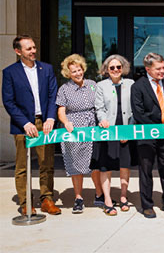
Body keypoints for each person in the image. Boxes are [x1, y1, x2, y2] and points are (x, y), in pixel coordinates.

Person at [2, 35, 61, 216]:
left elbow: (53, 96)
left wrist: (51, 118)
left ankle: (47, 199)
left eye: (34, 47)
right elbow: (9, 101)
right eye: (28, 49)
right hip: (23, 124)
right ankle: (26, 203)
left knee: (46, 163)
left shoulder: (47, 69)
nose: (33, 51)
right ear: (18, 51)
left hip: (45, 123)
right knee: (22, 166)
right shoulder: (10, 72)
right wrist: (25, 122)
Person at [131, 53, 164, 219]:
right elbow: (139, 113)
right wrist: (156, 128)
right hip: (147, 136)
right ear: (148, 69)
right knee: (146, 170)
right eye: (158, 68)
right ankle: (147, 205)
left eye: (163, 67)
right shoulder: (138, 87)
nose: (162, 71)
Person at [56, 54, 103, 214]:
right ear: (68, 74)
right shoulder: (64, 89)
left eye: (79, 69)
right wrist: (66, 123)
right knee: (75, 164)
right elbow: (61, 111)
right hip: (74, 129)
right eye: (73, 71)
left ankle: (99, 194)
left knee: (94, 163)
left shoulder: (92, 84)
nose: (77, 73)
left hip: (93, 127)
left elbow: (100, 104)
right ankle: (78, 198)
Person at [93, 54, 135, 216]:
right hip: (107, 132)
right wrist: (103, 120)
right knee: (106, 166)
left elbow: (135, 108)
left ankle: (124, 197)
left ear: (123, 68)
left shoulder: (131, 84)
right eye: (112, 68)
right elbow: (99, 108)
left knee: (124, 165)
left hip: (125, 130)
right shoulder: (101, 86)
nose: (116, 70)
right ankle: (108, 200)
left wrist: (129, 130)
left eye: (118, 67)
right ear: (106, 70)